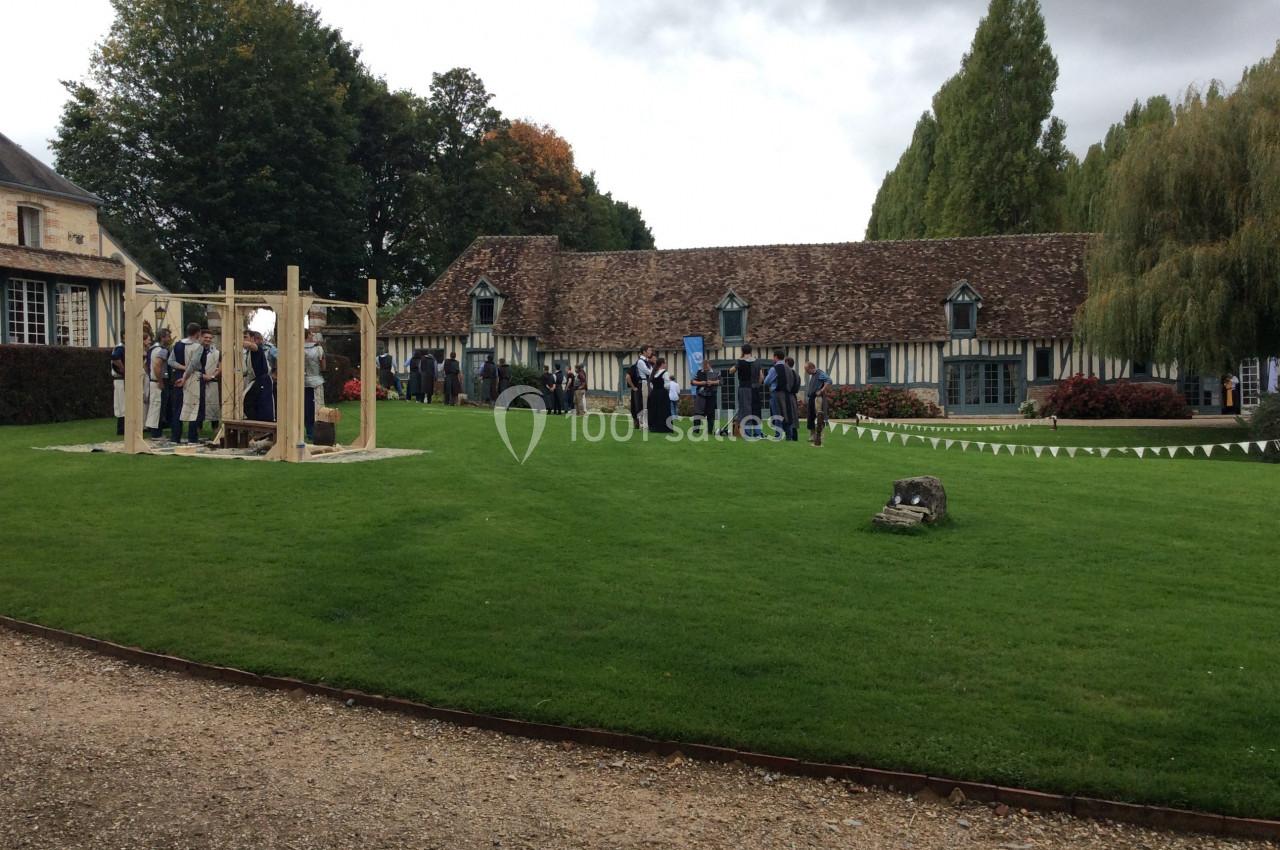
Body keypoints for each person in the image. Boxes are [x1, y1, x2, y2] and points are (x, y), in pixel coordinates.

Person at [181, 328, 221, 443]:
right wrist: (203, 376)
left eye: (210, 338)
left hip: (212, 382)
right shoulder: (195, 350)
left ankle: (216, 435)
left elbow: (220, 366)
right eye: (205, 337)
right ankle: (196, 432)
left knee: (213, 408)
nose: (208, 340)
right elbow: (191, 366)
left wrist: (212, 376)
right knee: (197, 408)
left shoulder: (216, 352)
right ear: (201, 337)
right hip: (197, 381)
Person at [168, 322, 201, 442]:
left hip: (178, 375)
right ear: (198, 333)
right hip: (192, 378)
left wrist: (181, 367)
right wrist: (186, 373)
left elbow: (171, 361)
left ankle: (175, 437)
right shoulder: (198, 346)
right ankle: (192, 437)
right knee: (193, 408)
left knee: (178, 407)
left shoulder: (177, 345)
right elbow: (194, 364)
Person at [242, 330, 275, 422]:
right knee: (248, 401)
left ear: (252, 338)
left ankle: (263, 426)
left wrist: (238, 341)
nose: (243, 339)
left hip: (262, 381)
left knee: (263, 407)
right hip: (255, 381)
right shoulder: (247, 353)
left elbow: (252, 346)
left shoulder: (257, 349)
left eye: (245, 337)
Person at [146, 328, 172, 438]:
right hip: (158, 381)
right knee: (158, 408)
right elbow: (157, 365)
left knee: (154, 406)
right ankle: (156, 434)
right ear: (162, 338)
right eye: (168, 337)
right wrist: (160, 381)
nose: (170, 339)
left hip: (152, 380)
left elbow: (146, 365)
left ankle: (154, 432)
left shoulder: (151, 349)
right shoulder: (162, 350)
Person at [804, 362, 833, 446]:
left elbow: (829, 380)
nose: (806, 372)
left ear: (811, 368)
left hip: (817, 398)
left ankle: (820, 436)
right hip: (811, 398)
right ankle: (812, 436)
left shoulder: (820, 373)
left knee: (819, 417)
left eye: (806, 370)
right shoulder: (813, 375)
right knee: (810, 416)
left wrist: (822, 390)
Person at [303, 330, 325, 440]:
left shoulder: (297, 348)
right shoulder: (318, 349)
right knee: (318, 406)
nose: (313, 336)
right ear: (307, 336)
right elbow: (323, 366)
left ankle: (309, 432)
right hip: (316, 380)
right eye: (311, 334)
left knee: (306, 407)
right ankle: (318, 431)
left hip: (302, 382)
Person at [734, 344, 760, 438]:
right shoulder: (757, 361)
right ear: (751, 351)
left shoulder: (740, 362)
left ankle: (748, 433)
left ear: (742, 351)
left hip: (744, 388)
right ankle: (757, 433)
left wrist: (738, 362)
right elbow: (761, 377)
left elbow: (731, 371)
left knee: (746, 410)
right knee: (756, 409)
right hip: (755, 388)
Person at [627, 346, 653, 428]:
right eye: (649, 350)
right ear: (644, 352)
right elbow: (648, 372)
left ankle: (645, 423)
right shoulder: (641, 362)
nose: (651, 351)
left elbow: (651, 371)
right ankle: (642, 424)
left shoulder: (647, 361)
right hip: (643, 383)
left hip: (647, 383)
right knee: (643, 404)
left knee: (647, 404)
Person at [691, 363, 720, 435]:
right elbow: (692, 381)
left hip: (711, 396)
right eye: (704, 369)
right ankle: (696, 431)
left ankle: (710, 432)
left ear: (709, 366)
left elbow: (721, 381)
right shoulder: (699, 372)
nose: (705, 370)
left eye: (706, 369)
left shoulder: (716, 372)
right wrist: (700, 383)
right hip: (701, 396)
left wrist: (712, 382)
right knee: (698, 413)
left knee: (711, 414)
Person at [647, 357, 673, 433]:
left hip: (654, 393)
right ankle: (663, 428)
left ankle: (654, 427)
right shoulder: (665, 372)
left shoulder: (653, 372)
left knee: (654, 410)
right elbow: (667, 385)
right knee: (663, 410)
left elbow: (651, 384)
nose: (666, 364)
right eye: (665, 363)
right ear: (662, 364)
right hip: (662, 393)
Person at [110, 333, 127, 435]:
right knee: (122, 403)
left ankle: (123, 428)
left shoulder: (121, 347)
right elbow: (115, 358)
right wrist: (123, 369)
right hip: (120, 379)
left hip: (120, 379)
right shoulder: (120, 348)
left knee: (121, 403)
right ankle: (121, 429)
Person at [784, 356, 801, 441]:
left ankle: (790, 436)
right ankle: (794, 437)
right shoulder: (796, 374)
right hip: (793, 396)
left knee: (789, 416)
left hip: (788, 396)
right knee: (794, 417)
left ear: (786, 363)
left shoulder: (788, 373)